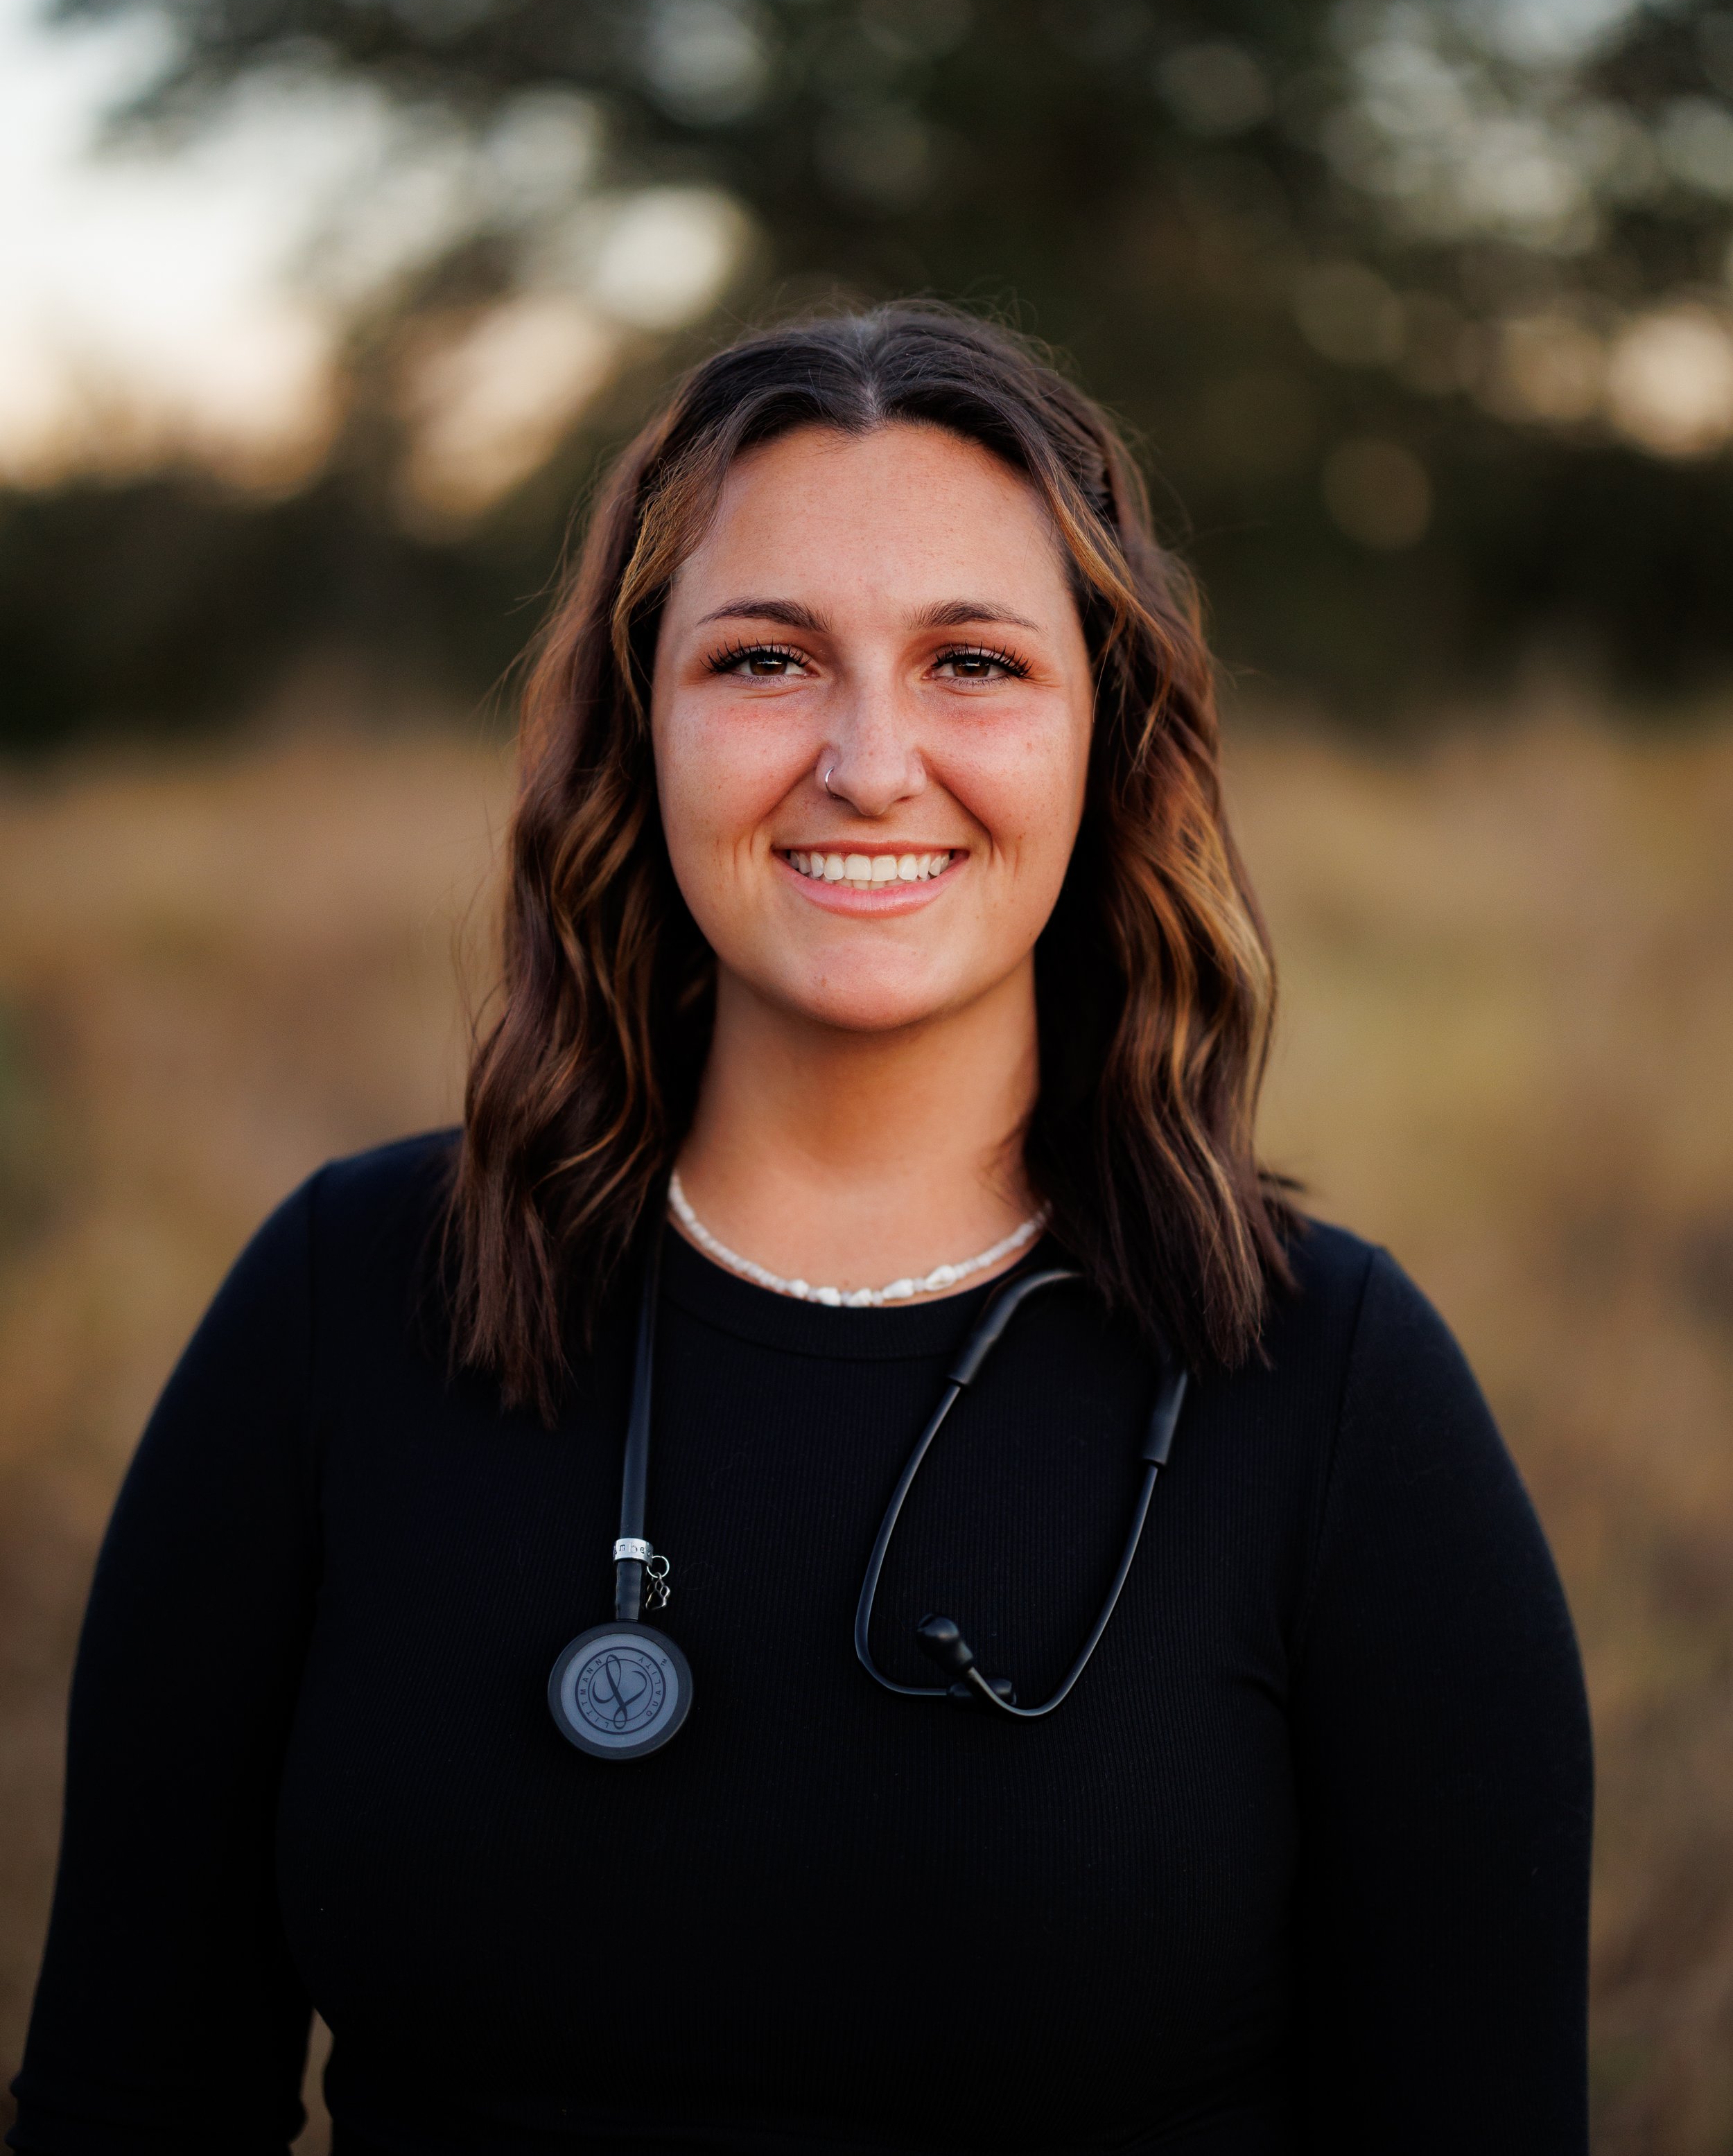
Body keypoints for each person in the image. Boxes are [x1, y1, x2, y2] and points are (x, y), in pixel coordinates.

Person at [9, 305, 1592, 2155]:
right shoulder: (346, 1302)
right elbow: (130, 2102)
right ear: (638, 725)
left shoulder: (1324, 1386)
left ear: (1104, 739)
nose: (866, 760)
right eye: (764, 660)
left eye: (973, 664)